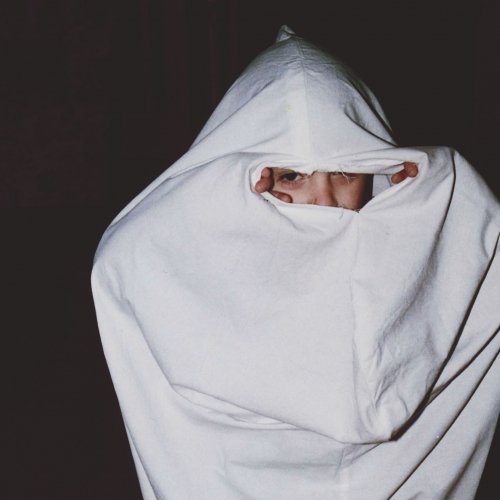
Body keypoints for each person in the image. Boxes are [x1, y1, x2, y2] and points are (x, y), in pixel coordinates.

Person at [92, 25, 499, 499]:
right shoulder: (188, 278)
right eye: (292, 176)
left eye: (347, 172)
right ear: (239, 176)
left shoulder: (397, 260)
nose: (324, 201)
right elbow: (130, 256)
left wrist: (426, 221)